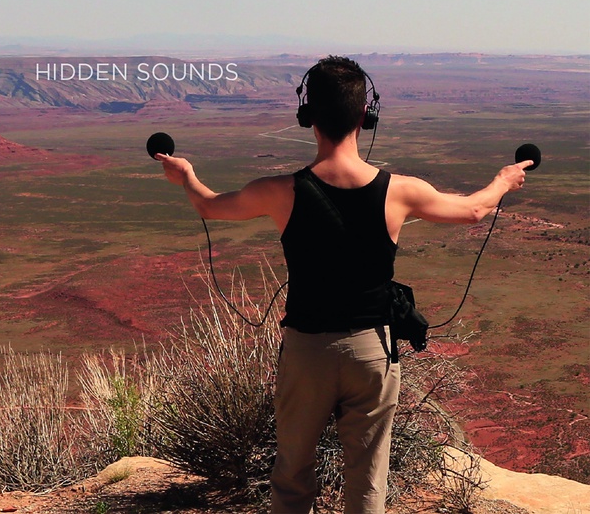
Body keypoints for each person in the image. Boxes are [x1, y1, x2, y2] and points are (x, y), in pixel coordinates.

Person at [157, 55, 531, 513]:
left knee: (292, 473)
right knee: (368, 480)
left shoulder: (281, 191)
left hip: (307, 350)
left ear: (307, 116)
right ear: (365, 115)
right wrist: (504, 180)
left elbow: (210, 206)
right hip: (372, 350)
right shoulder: (399, 190)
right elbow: (473, 210)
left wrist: (186, 175)